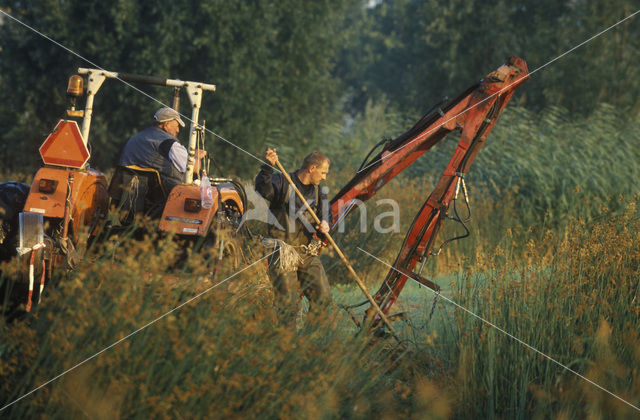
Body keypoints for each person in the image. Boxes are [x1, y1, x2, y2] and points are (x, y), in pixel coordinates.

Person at [255, 148, 332, 325]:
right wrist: (268, 167)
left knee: (323, 297)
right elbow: (262, 190)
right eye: (323, 173)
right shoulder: (282, 181)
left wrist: (325, 224)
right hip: (282, 251)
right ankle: (286, 344)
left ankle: (310, 340)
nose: (324, 177)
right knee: (287, 304)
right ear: (312, 168)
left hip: (306, 252)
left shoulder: (320, 192)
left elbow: (327, 215)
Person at [118, 106, 188, 192]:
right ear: (166, 125)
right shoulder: (169, 143)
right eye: (177, 126)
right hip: (160, 197)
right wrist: (196, 156)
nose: (178, 130)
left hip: (127, 191)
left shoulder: (136, 138)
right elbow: (189, 167)